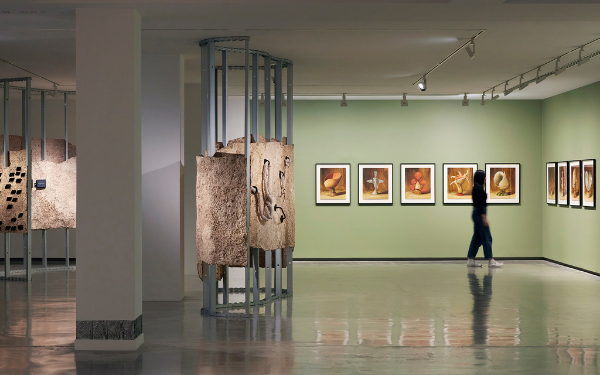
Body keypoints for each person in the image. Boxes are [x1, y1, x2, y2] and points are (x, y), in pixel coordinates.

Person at [467, 170, 503, 268]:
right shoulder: (478, 188)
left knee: (477, 237)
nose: (486, 178)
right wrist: (484, 217)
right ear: (481, 177)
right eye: (484, 177)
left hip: (476, 213)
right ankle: (491, 261)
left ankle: (470, 260)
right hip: (479, 213)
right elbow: (480, 204)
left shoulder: (477, 187)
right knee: (486, 236)